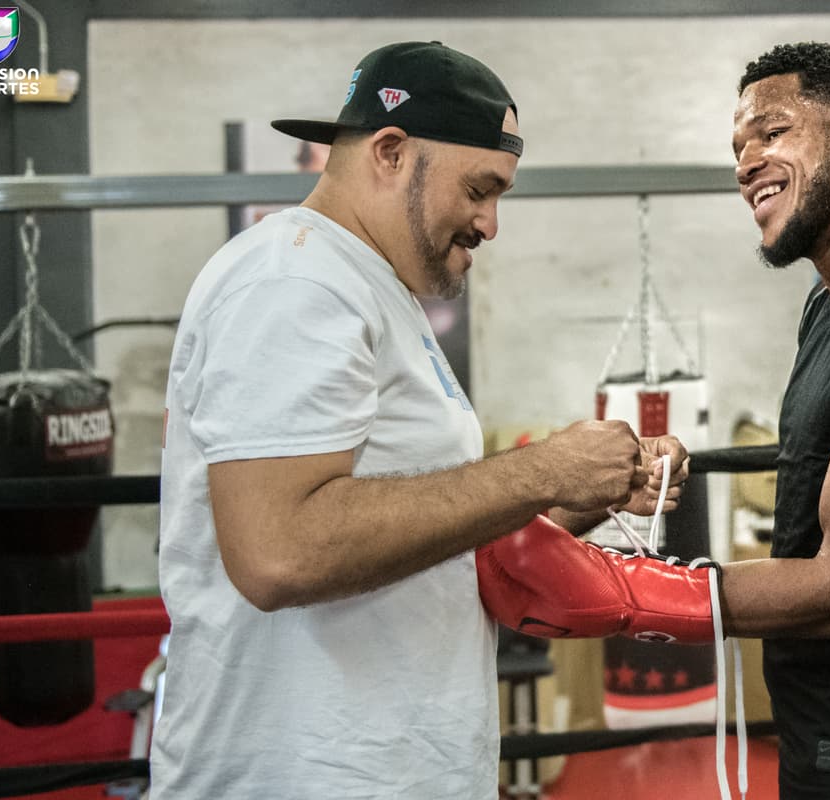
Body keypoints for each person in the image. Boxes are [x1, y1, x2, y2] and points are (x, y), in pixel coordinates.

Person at [151, 41, 687, 799]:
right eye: (479, 188)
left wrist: (583, 490)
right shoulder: (297, 281)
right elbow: (278, 553)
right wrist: (542, 468)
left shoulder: (372, 290)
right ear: (392, 152)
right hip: (300, 778)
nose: (491, 223)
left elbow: (424, 533)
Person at [477, 42, 830, 800]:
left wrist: (631, 589)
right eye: (738, 147)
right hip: (826, 744)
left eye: (771, 132)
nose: (745, 162)